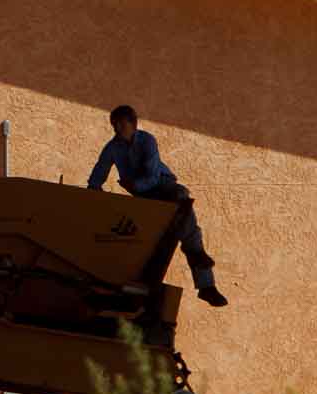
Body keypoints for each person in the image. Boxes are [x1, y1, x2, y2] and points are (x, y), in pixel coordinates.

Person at [87, 104, 228, 307]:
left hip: (163, 187)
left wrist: (135, 185)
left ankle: (206, 284)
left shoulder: (147, 141)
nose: (117, 129)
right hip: (142, 194)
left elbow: (152, 176)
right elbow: (100, 169)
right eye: (114, 125)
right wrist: (93, 189)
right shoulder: (112, 147)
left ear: (133, 124)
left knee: (184, 211)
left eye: (121, 125)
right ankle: (195, 270)